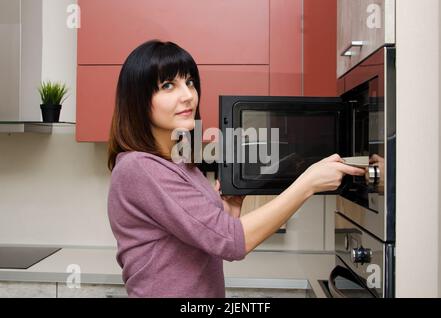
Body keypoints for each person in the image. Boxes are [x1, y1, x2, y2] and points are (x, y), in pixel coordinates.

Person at [107, 40, 365, 298]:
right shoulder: (139, 167)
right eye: (167, 85)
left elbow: (214, 241)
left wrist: (230, 207)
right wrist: (308, 183)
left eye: (189, 82)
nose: (188, 95)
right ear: (138, 101)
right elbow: (231, 242)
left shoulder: (180, 163)